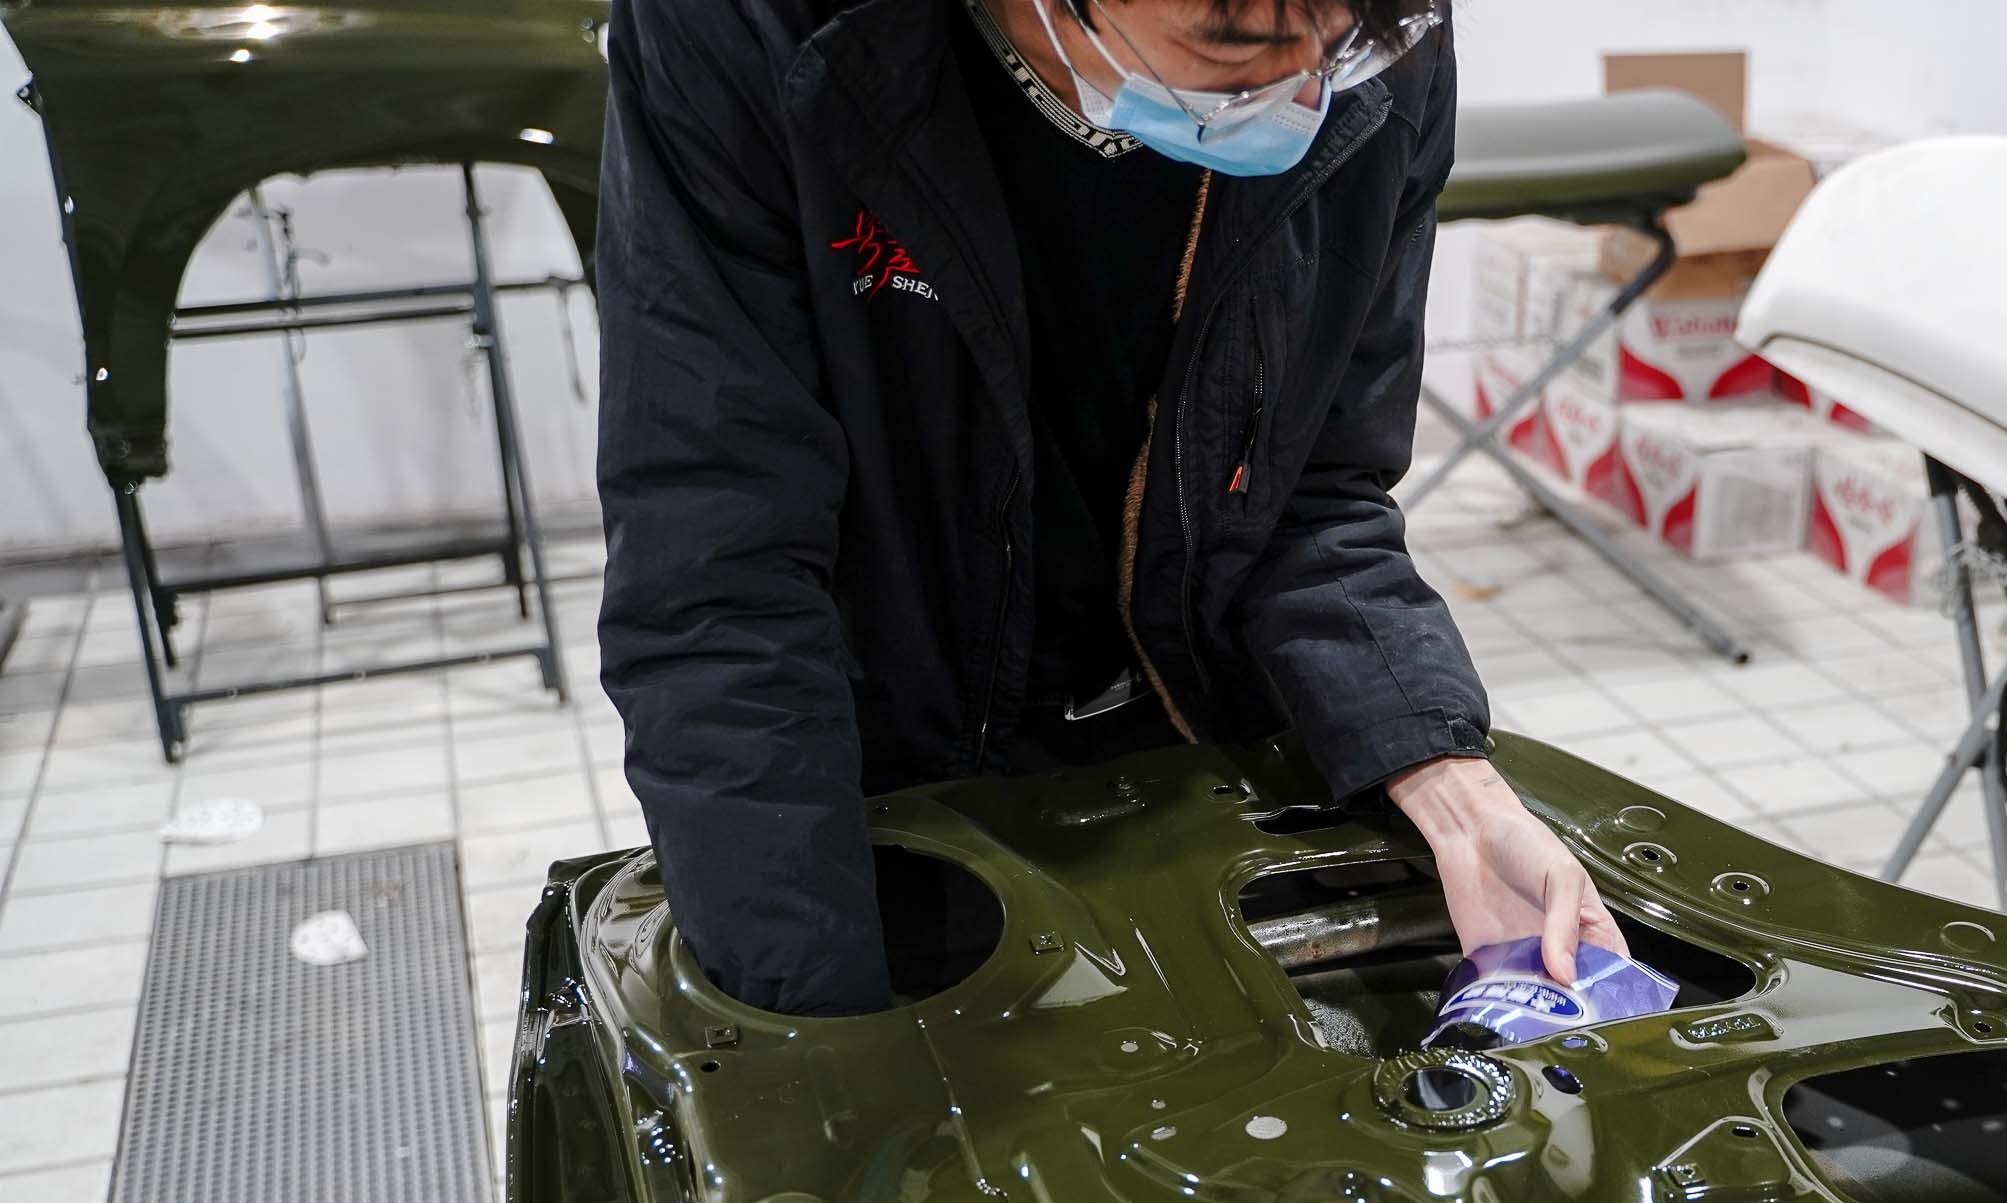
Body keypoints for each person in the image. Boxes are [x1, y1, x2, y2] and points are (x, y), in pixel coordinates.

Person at [595, 0, 1626, 1015]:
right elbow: (721, 571)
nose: (1304, 95)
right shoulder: (747, 28)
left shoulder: (1373, 41)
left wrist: (1447, 777)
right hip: (876, 784)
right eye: (1238, 46)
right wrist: (818, 1034)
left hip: (1196, 757)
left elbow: (1314, 483)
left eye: (1345, 45)